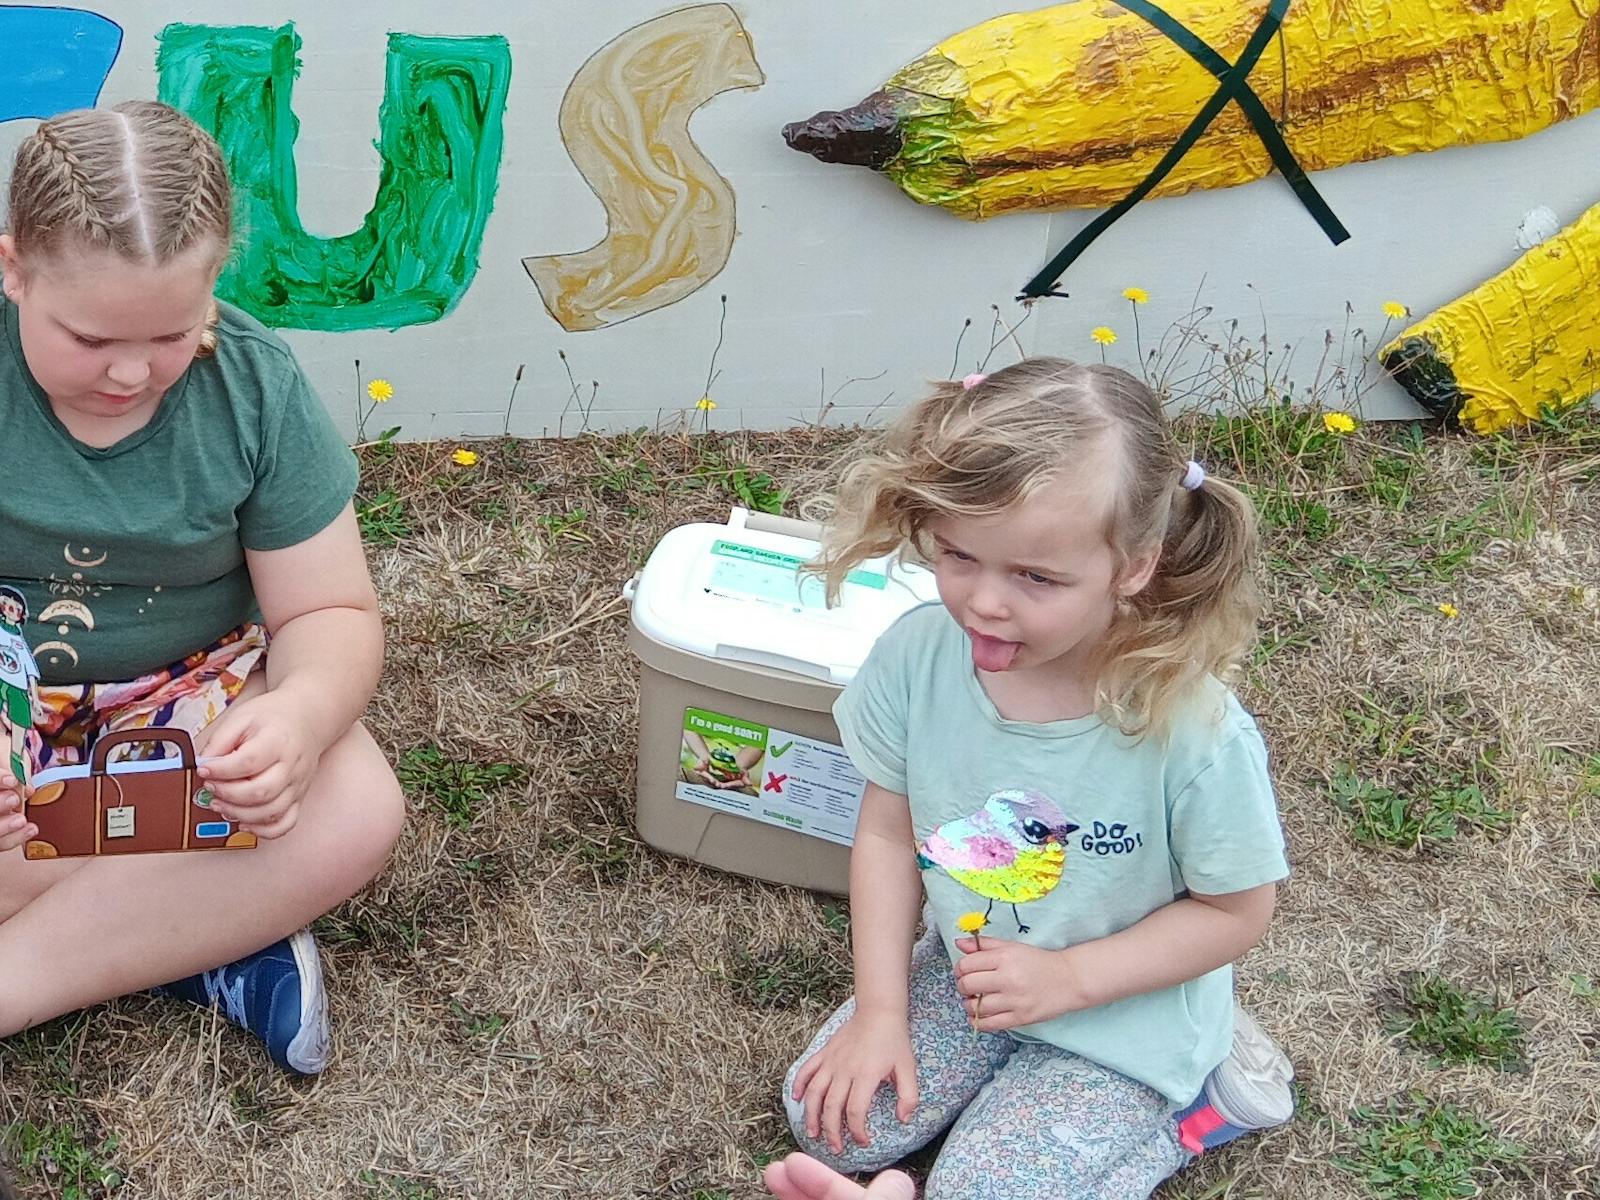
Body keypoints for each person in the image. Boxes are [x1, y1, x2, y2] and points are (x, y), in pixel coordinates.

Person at [783, 360, 1294, 1198]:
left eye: (1036, 578)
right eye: (959, 556)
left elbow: (1238, 912)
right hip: (978, 976)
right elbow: (883, 832)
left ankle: (1205, 1098)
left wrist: (1068, 981)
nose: (984, 603)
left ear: (1132, 566)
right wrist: (881, 1014)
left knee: (981, 1191)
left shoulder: (1190, 728)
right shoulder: (919, 657)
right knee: (827, 1123)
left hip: (1126, 1009)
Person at [0, 101, 404, 1074]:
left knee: (354, 809)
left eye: (175, 333)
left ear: (216, 280)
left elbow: (328, 610)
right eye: (90, 338)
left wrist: (301, 718)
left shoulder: (255, 390)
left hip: (185, 701)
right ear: (12, 269)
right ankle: (203, 933)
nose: (132, 372)